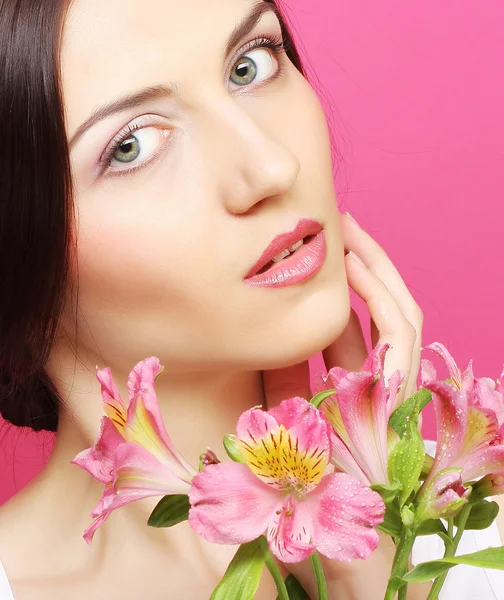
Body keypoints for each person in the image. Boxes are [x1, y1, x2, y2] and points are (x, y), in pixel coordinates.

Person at [0, 0, 501, 598]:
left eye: (250, 65)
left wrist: (372, 567)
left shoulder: (465, 526)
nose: (271, 166)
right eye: (131, 145)